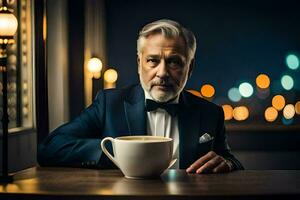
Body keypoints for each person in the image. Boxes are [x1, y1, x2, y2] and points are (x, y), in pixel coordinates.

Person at [38, 19, 244, 173]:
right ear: (139, 64)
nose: (162, 73)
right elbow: (50, 148)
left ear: (190, 68)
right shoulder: (109, 103)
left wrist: (228, 163)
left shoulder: (210, 113)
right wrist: (114, 152)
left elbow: (229, 159)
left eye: (174, 62)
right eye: (153, 61)